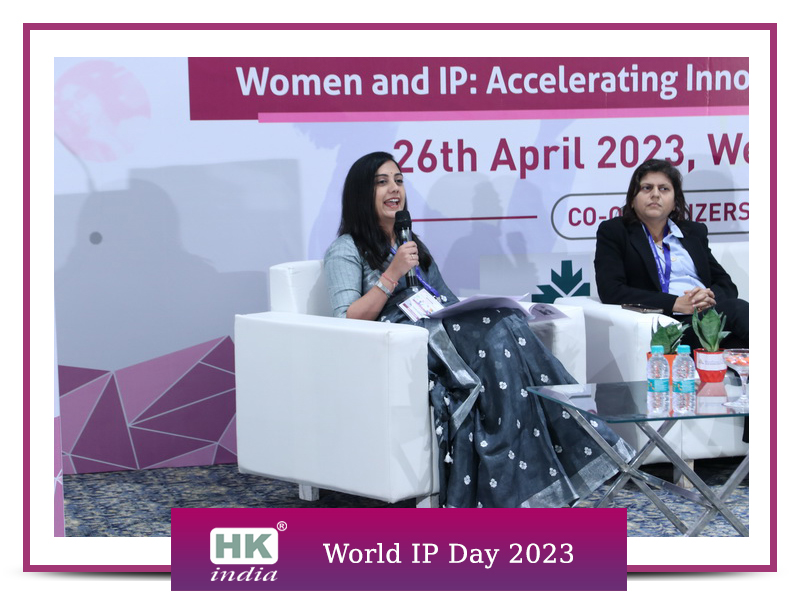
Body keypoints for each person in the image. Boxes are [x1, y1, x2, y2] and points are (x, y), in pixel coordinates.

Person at [324, 151, 633, 508]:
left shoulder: (410, 244)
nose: (394, 189)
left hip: (437, 329)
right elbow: (347, 320)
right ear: (361, 194)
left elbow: (443, 299)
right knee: (500, 332)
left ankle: (559, 465)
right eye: (382, 182)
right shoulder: (346, 249)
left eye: (398, 180)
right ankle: (530, 480)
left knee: (509, 322)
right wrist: (392, 275)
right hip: (403, 345)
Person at [594, 158, 749, 349]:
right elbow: (611, 290)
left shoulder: (693, 233)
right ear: (632, 200)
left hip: (706, 320)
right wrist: (675, 303)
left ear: (675, 201)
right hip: (667, 326)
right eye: (647, 188)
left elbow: (726, 284)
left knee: (739, 342)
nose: (655, 194)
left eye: (664, 189)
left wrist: (706, 298)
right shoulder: (615, 231)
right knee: (737, 309)